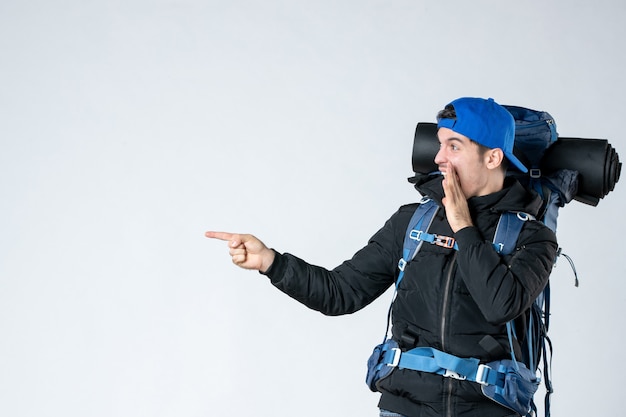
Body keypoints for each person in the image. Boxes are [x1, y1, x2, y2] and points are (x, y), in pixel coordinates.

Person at [206, 97, 558, 417]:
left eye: (454, 146)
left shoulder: (533, 238)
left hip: (488, 409)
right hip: (405, 406)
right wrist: (272, 262)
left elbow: (500, 305)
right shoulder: (411, 221)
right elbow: (340, 293)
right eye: (439, 145)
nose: (439, 158)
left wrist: (463, 227)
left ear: (493, 157)